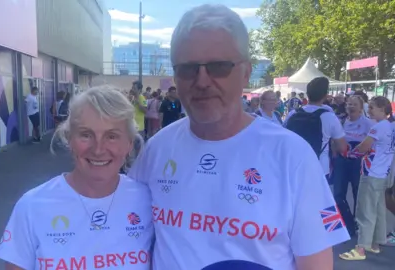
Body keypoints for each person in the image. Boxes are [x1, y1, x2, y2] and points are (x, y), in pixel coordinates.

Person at [128, 4, 349, 269]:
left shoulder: (292, 155)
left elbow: (316, 263)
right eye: (187, 68)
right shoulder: (157, 148)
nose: (202, 81)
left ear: (246, 71)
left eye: (218, 66)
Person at [0, 86, 153, 270]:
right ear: (69, 139)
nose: (98, 149)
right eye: (86, 135)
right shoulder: (32, 206)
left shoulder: (148, 200)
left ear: (128, 143)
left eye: (112, 136)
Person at [340, 96, 395, 261]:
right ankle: (376, 243)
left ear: (382, 109)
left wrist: (350, 154)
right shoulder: (392, 126)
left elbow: (364, 146)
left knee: (365, 211)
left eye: (371, 107)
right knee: (378, 210)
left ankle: (361, 248)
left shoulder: (378, 128)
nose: (368, 110)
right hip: (382, 173)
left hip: (371, 174)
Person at [285, 77, 347, 183]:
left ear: (307, 94)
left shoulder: (293, 114)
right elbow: (342, 147)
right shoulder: (329, 116)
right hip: (320, 168)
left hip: (294, 167)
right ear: (325, 95)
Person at [331, 95, 374, 236]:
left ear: (361, 108)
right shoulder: (341, 121)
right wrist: (335, 156)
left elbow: (373, 143)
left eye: (355, 104)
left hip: (358, 162)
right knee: (337, 194)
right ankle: (347, 223)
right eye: (349, 104)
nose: (351, 106)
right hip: (341, 162)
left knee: (358, 194)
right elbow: (334, 140)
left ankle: (358, 223)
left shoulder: (368, 123)